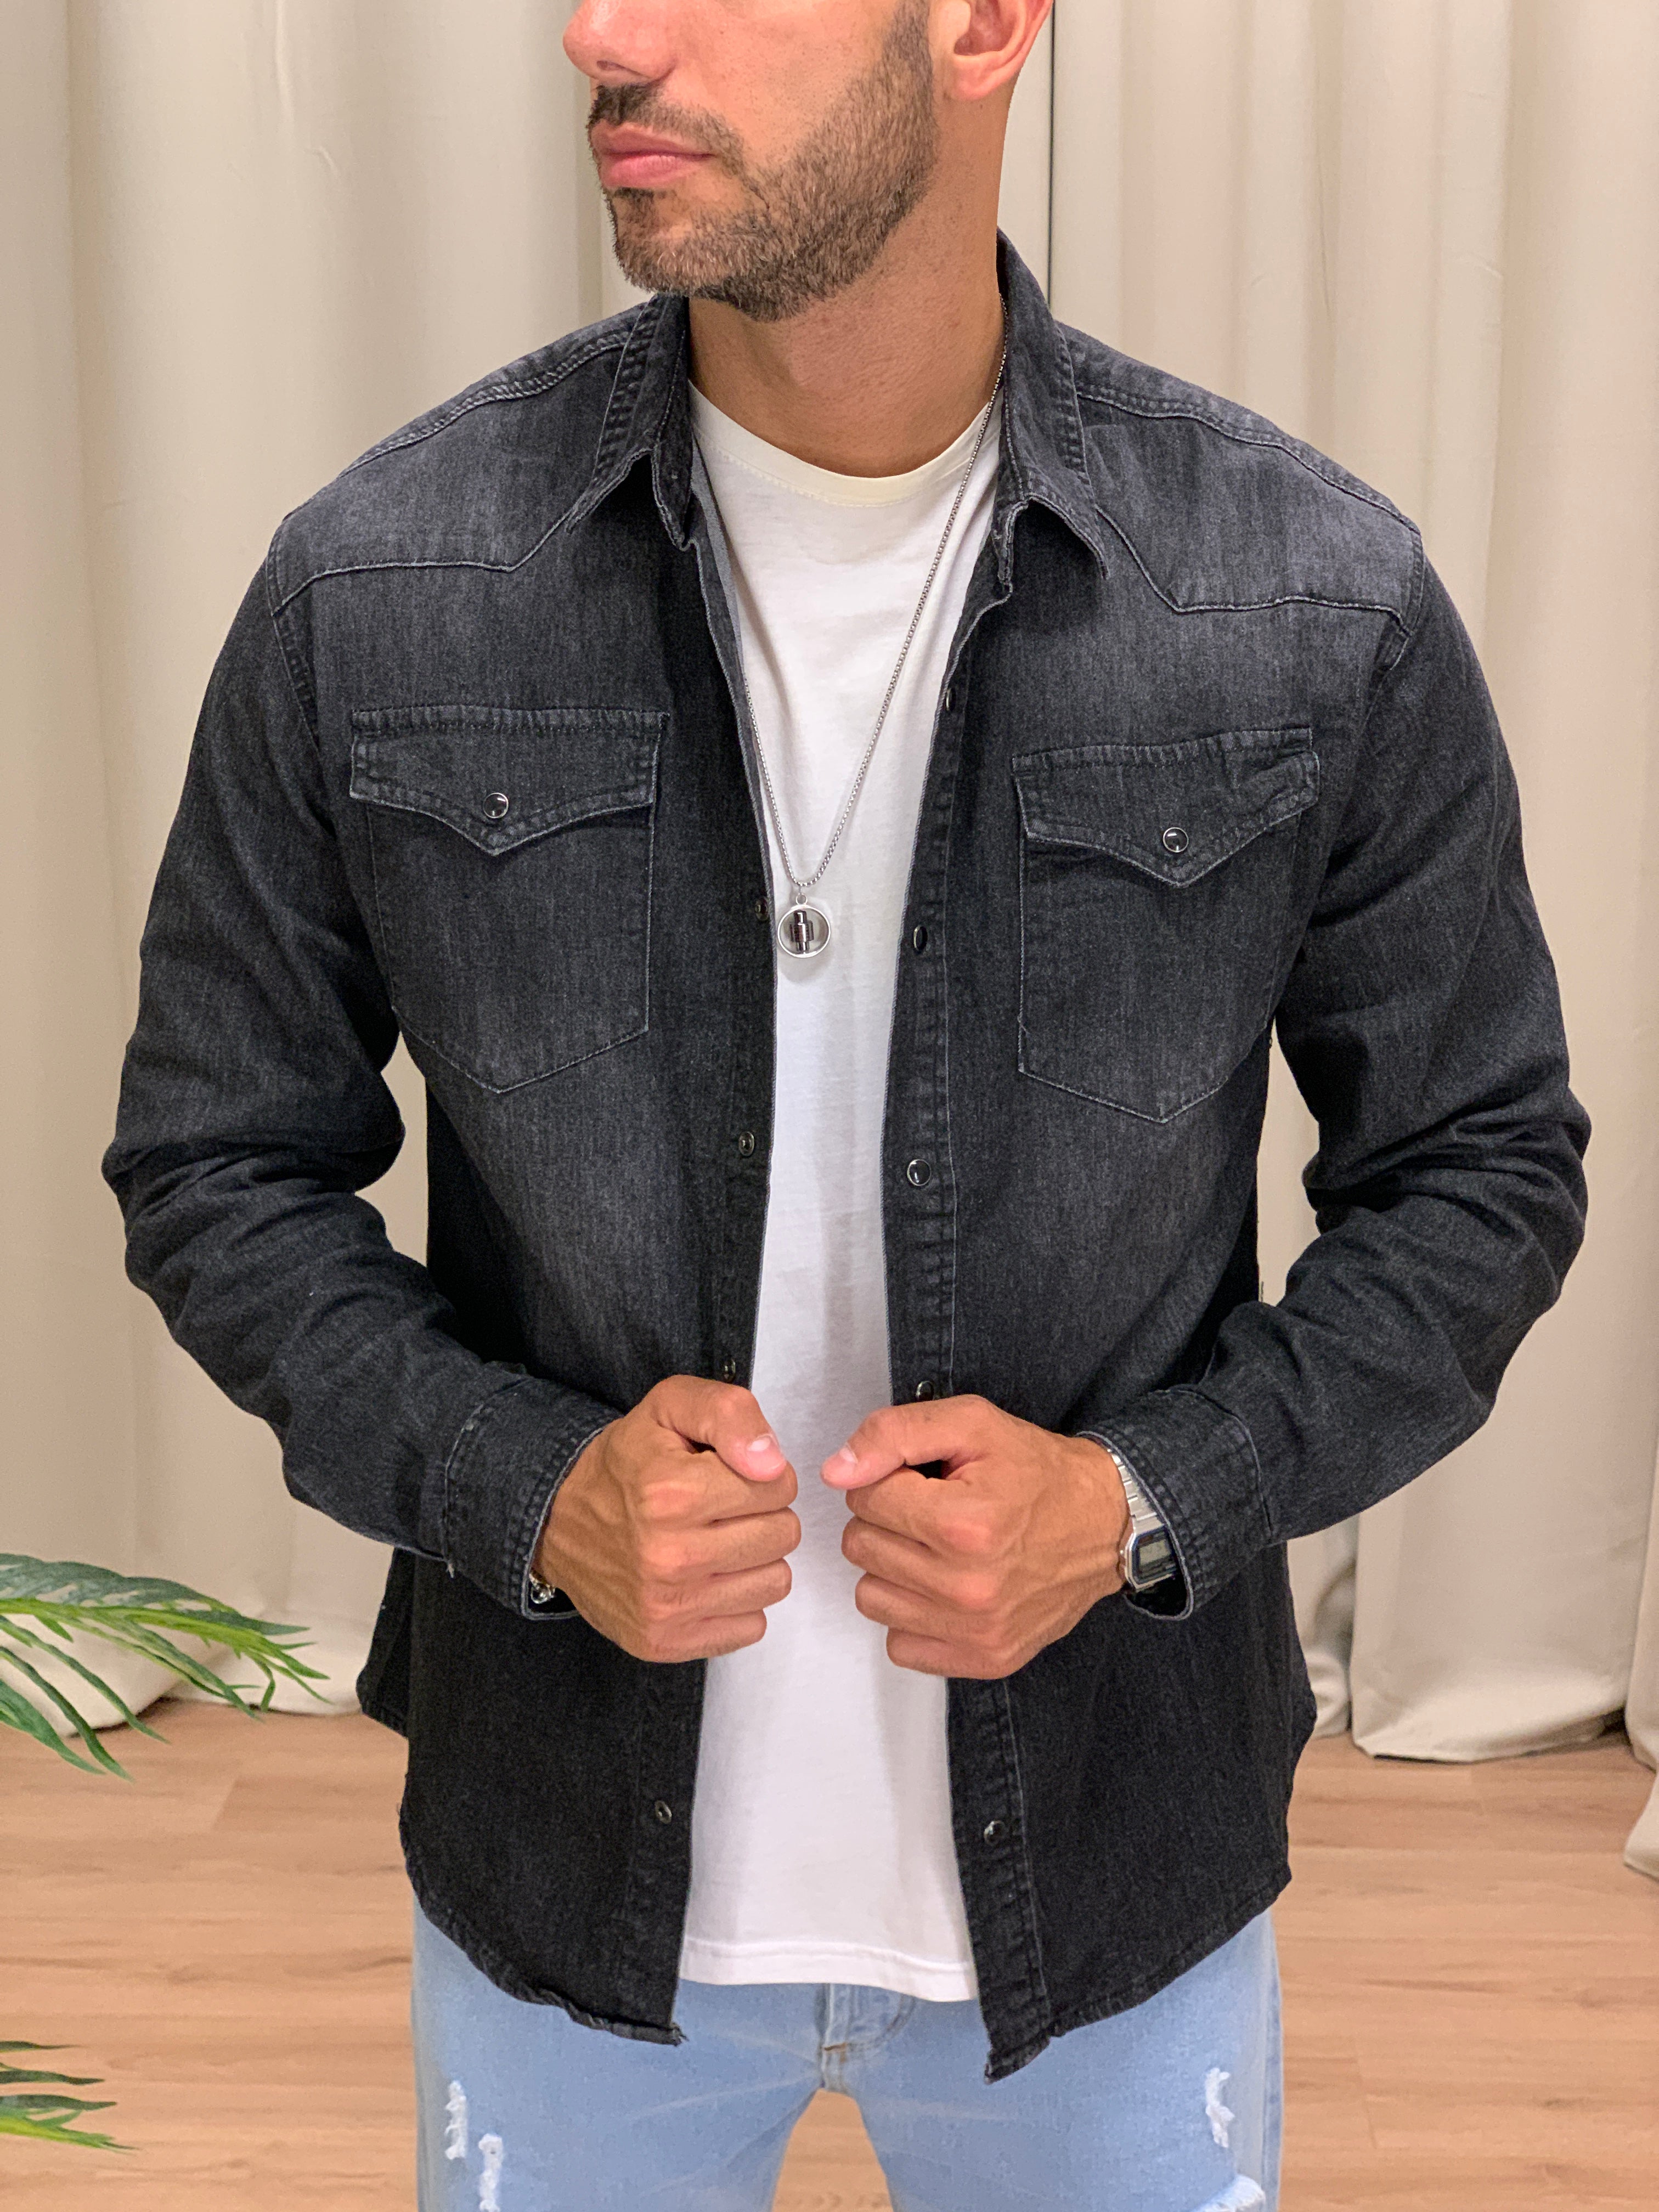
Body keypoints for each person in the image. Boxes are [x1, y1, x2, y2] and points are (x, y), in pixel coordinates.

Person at [103, 1, 1589, 2205]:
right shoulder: (380, 586)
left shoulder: (1307, 600)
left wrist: (1139, 1502)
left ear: (981, 25)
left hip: (1111, 1880)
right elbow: (220, 1158)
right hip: (563, 1881)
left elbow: (1480, 1173)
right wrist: (523, 1484)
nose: (604, 36)